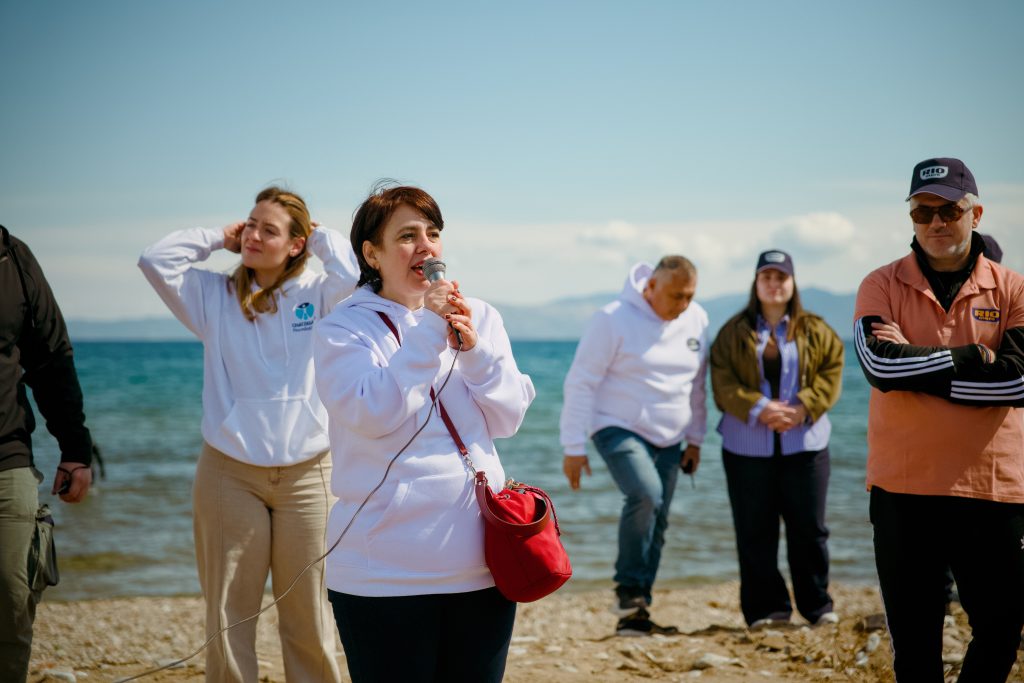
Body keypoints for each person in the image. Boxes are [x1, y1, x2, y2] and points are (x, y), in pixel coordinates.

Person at [313, 184, 536, 683]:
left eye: (433, 233)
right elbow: (373, 413)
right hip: (383, 576)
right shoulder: (342, 329)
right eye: (408, 235)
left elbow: (508, 420)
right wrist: (430, 330)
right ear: (372, 253)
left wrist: (476, 352)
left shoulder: (480, 314)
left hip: (482, 567)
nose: (426, 246)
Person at [138, 187, 358, 683]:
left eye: (269, 229)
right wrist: (219, 237)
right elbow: (154, 261)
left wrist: (318, 233)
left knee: (309, 614)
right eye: (250, 224)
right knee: (229, 614)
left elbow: (351, 272)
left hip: (309, 474)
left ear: (297, 244)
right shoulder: (212, 296)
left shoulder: (318, 295)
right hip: (229, 473)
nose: (254, 235)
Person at [854, 157, 1024, 681]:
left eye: (948, 209)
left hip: (992, 489)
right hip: (904, 490)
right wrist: (974, 358)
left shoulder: (1013, 288)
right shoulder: (879, 284)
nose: (935, 222)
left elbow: (1020, 381)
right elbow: (881, 367)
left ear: (975, 213)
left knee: (1000, 629)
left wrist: (920, 368)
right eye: (922, 211)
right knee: (915, 644)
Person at [560, 255, 708, 636]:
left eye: (690, 296)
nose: (683, 305)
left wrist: (695, 439)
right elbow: (581, 382)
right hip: (617, 426)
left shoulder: (697, 319)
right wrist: (573, 446)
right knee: (645, 494)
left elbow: (696, 387)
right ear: (651, 287)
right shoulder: (611, 319)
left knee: (658, 520)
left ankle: (637, 610)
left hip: (672, 436)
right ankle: (627, 589)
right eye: (676, 296)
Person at [709, 250, 844, 629]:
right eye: (766, 277)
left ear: (793, 283)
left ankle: (818, 606)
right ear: (755, 283)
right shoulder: (733, 331)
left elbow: (832, 369)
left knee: (810, 529)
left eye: (781, 277)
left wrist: (804, 406)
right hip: (746, 448)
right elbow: (721, 378)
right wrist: (758, 408)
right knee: (755, 530)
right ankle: (766, 610)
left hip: (806, 446)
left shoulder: (816, 329)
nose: (774, 283)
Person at [0, 225, 96, 682]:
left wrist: (75, 449)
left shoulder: (11, 257)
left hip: (6, 458)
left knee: (11, 601)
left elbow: (51, 358)